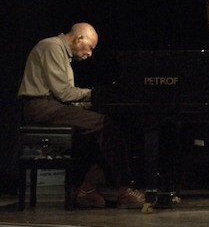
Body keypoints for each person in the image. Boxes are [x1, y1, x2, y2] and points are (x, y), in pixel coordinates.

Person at [18, 23, 145, 208]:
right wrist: (97, 95)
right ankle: (123, 189)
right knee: (104, 125)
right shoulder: (52, 46)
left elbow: (66, 97)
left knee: (108, 126)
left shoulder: (60, 51)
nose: (90, 54)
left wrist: (96, 104)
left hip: (52, 106)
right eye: (90, 48)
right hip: (40, 107)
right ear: (79, 39)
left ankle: (88, 189)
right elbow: (64, 93)